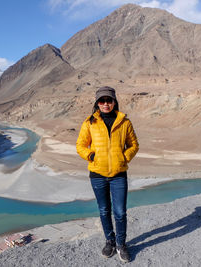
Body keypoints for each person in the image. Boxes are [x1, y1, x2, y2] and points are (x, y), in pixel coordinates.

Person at [76, 86, 139, 262]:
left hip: (119, 175)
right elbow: (80, 145)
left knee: (120, 212)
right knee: (104, 210)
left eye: (108, 100)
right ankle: (109, 241)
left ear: (114, 102)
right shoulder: (90, 123)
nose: (105, 104)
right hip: (97, 174)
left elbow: (134, 144)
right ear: (97, 103)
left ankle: (121, 244)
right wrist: (90, 155)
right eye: (102, 101)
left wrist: (124, 158)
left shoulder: (124, 122)